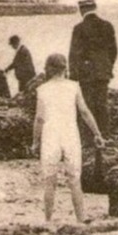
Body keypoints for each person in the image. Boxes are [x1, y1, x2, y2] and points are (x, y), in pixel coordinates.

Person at [32, 53, 103, 223]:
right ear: (65, 68)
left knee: (50, 180)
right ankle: (80, 219)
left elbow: (39, 118)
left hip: (50, 135)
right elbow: (85, 112)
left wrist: (35, 141)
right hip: (70, 133)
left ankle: (48, 220)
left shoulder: (42, 90)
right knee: (74, 179)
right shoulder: (74, 86)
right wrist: (97, 134)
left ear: (48, 69)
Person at [67, 0, 118, 136]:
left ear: (81, 10)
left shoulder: (79, 28)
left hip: (86, 73)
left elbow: (74, 54)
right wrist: (107, 67)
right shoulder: (107, 26)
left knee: (88, 105)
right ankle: (105, 135)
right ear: (95, 8)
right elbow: (113, 51)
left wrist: (73, 75)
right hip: (103, 72)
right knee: (102, 104)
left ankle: (90, 136)